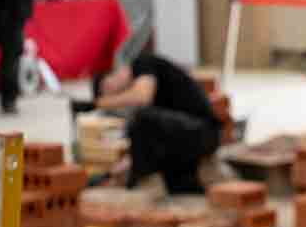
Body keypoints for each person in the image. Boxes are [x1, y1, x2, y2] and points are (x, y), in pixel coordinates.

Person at [95, 53, 222, 195]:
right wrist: (120, 167)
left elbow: (142, 97)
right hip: (190, 138)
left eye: (109, 89)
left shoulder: (142, 62)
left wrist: (100, 103)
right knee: (179, 188)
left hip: (203, 132)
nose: (115, 94)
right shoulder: (156, 90)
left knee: (142, 118)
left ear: (115, 72)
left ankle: (137, 185)